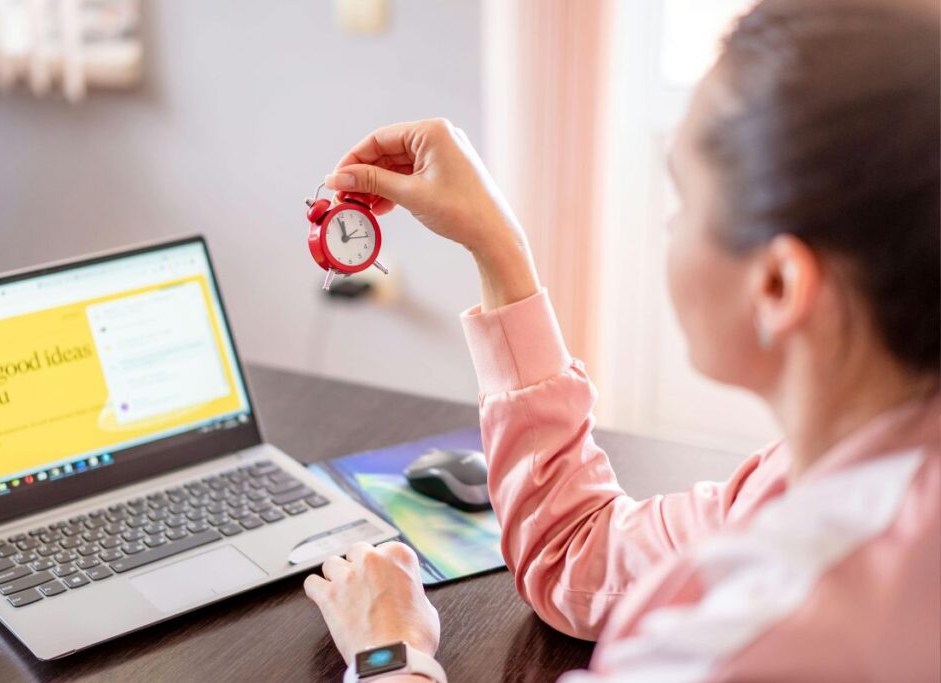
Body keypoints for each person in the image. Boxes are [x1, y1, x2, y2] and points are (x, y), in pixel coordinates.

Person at [302, 0, 940, 679]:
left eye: (686, 199)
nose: (671, 229)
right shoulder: (840, 473)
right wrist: (497, 246)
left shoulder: (745, 640)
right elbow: (579, 558)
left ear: (779, 285)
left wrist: (388, 649)